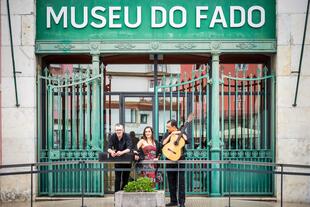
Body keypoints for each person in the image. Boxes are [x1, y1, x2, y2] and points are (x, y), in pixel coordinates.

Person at [162, 119, 189, 207]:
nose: (167, 128)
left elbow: (186, 140)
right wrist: (171, 135)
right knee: (171, 181)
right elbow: (163, 143)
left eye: (169, 127)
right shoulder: (167, 133)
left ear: (174, 127)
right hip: (169, 159)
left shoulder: (181, 132)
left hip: (180, 159)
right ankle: (173, 201)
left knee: (181, 182)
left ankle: (181, 203)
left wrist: (179, 133)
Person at [107, 123, 133, 192]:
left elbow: (129, 148)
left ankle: (123, 193)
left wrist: (121, 152)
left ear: (123, 130)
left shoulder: (127, 136)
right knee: (117, 178)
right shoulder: (113, 136)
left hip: (126, 160)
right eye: (117, 130)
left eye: (120, 130)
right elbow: (108, 147)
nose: (118, 131)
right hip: (118, 160)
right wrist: (111, 152)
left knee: (125, 178)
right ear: (115, 130)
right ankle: (117, 194)